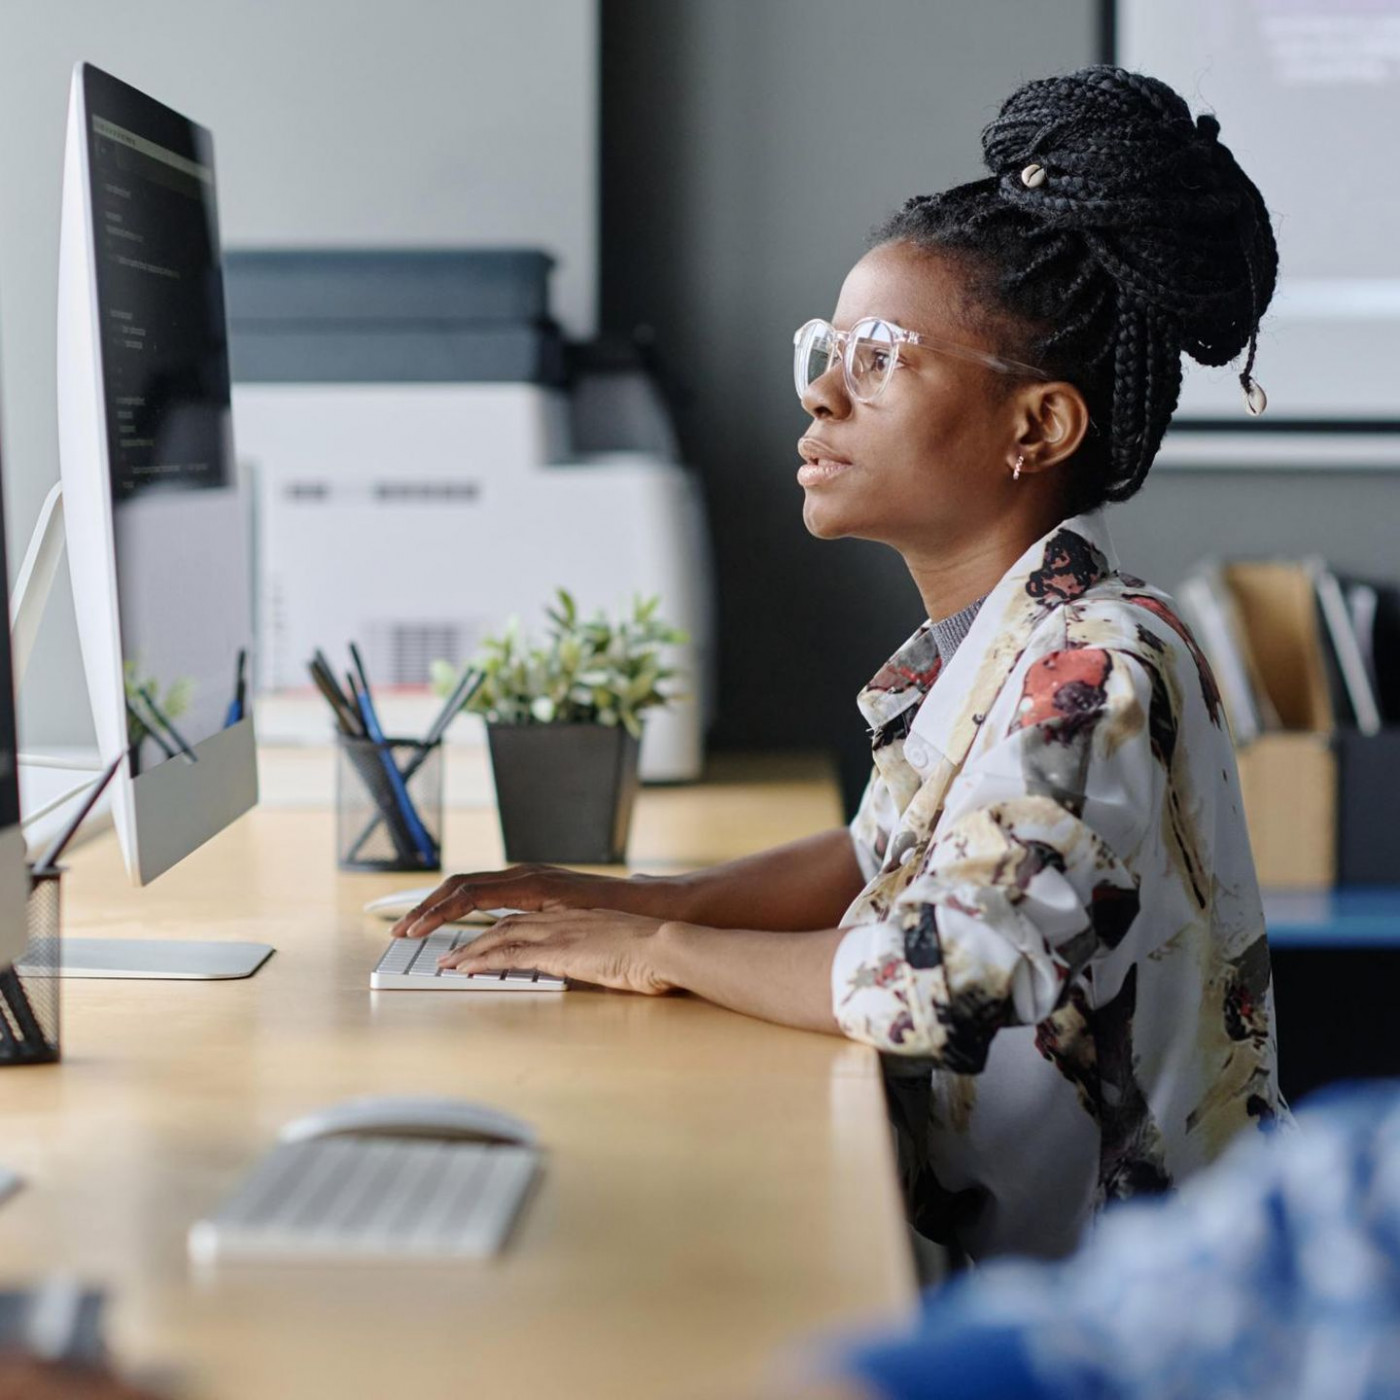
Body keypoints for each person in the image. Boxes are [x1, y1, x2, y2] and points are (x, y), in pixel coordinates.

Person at [393, 65, 1286, 1261]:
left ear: (1038, 427)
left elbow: (935, 969)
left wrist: (656, 954)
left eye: (879, 357)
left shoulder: (1095, 672)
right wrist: (643, 897)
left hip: (1110, 1327)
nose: (819, 390)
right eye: (828, 347)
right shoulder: (1005, 643)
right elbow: (886, 858)